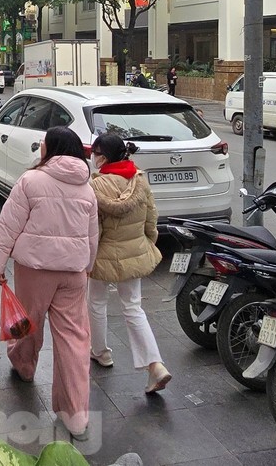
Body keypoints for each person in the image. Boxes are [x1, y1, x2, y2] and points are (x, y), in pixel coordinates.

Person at [0, 126, 98, 439]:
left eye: (43, 145)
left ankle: (24, 366)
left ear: (51, 150)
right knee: (75, 340)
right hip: (74, 272)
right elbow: (93, 236)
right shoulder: (86, 187)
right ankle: (76, 416)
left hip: (34, 270)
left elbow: (8, 225)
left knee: (27, 322)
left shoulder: (31, 180)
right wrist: (87, 266)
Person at [86, 133, 172, 394]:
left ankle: (101, 352)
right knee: (133, 307)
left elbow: (94, 229)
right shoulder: (138, 179)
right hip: (134, 251)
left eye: (95, 152)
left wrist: (88, 256)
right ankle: (155, 365)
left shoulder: (95, 186)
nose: (92, 156)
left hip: (103, 255)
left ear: (103, 156)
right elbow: (151, 219)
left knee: (96, 302)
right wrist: (147, 243)